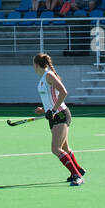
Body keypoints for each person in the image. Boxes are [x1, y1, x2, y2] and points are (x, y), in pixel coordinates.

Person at [32, 53, 85, 186]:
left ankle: (77, 176)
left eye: (33, 64)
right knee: (65, 147)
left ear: (37, 64)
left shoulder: (49, 75)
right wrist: (44, 109)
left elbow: (64, 92)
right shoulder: (43, 78)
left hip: (61, 114)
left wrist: (54, 110)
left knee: (56, 149)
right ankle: (78, 169)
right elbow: (51, 99)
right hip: (54, 116)